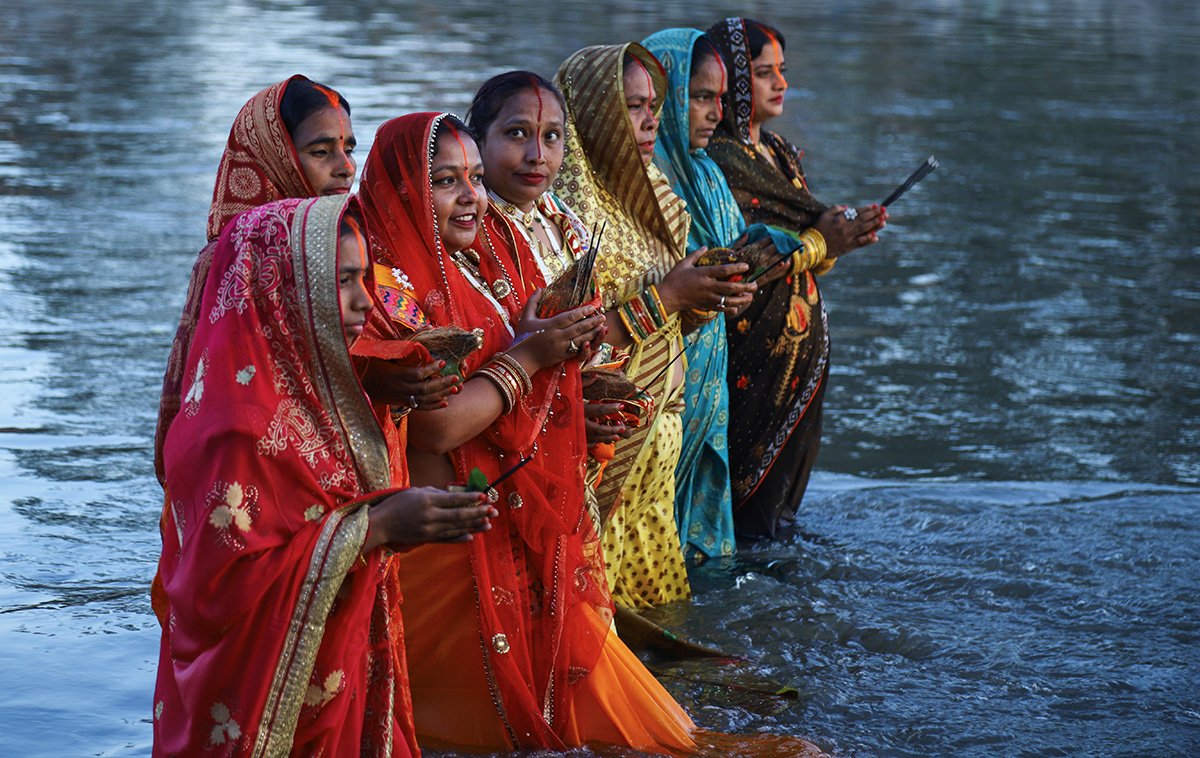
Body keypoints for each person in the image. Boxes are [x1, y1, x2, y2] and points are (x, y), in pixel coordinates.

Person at [356, 112, 695, 751]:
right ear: (402, 186)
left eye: (475, 180)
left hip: (495, 521)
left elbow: (503, 362)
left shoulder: (471, 266)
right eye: (446, 181)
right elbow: (437, 429)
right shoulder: (379, 286)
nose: (470, 197)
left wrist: (562, 372)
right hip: (440, 544)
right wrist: (533, 359)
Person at [151, 194, 496, 756]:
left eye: (364, 278)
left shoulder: (320, 395)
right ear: (281, 291)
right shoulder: (234, 429)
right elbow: (221, 596)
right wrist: (375, 527)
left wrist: (402, 520)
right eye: (343, 281)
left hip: (336, 668)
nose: (366, 302)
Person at [153, 75, 454, 490]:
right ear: (272, 157)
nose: (346, 167)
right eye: (320, 151)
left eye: (349, 149)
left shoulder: (353, 246)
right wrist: (366, 380)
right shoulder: (235, 257)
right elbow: (236, 389)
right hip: (267, 487)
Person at [553, 43, 756, 607]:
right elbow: (572, 340)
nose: (648, 121)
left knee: (663, 623)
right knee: (604, 632)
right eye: (632, 107)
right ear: (594, 112)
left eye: (654, 106)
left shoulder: (658, 194)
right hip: (604, 459)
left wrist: (704, 303)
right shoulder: (566, 211)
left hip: (656, 458)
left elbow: (666, 325)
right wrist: (669, 298)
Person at [704, 18, 888, 538]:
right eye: (764, 73)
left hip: (798, 353)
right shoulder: (717, 161)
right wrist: (822, 242)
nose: (780, 83)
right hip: (755, 350)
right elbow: (745, 257)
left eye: (782, 70)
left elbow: (808, 243)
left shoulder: (779, 152)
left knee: (781, 507)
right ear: (733, 85)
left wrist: (838, 241)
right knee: (751, 508)